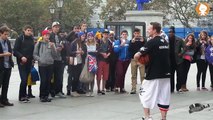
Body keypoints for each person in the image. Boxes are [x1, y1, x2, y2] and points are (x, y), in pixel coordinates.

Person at [134, 22, 170, 120]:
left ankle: (147, 117)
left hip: (153, 74)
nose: (147, 31)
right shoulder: (165, 41)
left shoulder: (151, 42)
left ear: (154, 30)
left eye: (149, 29)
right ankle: (163, 118)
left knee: (144, 94)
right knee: (164, 97)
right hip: (166, 74)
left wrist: (140, 61)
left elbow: (137, 55)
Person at [33, 30, 57, 102]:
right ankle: (42, 95)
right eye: (46, 35)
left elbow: (55, 55)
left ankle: (46, 95)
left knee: (48, 80)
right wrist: (40, 59)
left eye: (48, 35)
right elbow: (35, 54)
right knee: (43, 80)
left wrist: (53, 47)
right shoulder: (39, 44)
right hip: (42, 65)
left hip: (50, 64)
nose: (47, 36)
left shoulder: (51, 44)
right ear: (43, 36)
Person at [13, 25, 34, 103]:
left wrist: (33, 59)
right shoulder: (19, 39)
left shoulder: (31, 39)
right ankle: (21, 96)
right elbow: (15, 51)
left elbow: (32, 50)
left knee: (26, 79)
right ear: (24, 30)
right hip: (22, 62)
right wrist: (21, 57)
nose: (29, 32)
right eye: (28, 30)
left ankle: (24, 95)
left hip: (29, 62)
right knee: (24, 79)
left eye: (30, 31)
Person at [49, 21, 66, 98]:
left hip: (59, 58)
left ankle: (58, 91)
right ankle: (51, 91)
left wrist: (62, 47)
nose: (57, 28)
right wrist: (55, 47)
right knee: (51, 77)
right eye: (55, 27)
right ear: (52, 28)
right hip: (52, 59)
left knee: (59, 76)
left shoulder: (60, 36)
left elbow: (63, 45)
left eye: (58, 27)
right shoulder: (49, 36)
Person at [69, 31, 87, 97]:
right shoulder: (74, 43)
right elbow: (70, 52)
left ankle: (77, 89)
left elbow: (85, 52)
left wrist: (83, 53)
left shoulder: (83, 44)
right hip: (74, 62)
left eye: (84, 36)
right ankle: (73, 90)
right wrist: (76, 52)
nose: (84, 38)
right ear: (79, 36)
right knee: (75, 77)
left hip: (80, 62)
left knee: (79, 77)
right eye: (83, 36)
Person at [0, 25, 14, 107]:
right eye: (5, 34)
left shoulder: (8, 41)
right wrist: (4, 54)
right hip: (1, 66)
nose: (6, 36)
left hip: (8, 65)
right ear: (0, 34)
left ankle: (4, 99)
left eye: (7, 34)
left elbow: (10, 51)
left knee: (6, 84)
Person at [128, 28, 146, 94]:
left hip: (141, 59)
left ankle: (143, 88)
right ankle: (133, 88)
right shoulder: (131, 41)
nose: (137, 35)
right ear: (133, 34)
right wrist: (132, 43)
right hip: (133, 59)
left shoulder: (143, 40)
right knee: (133, 75)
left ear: (140, 33)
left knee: (142, 75)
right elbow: (129, 50)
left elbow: (145, 49)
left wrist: (143, 42)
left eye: (138, 33)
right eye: (135, 33)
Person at [168, 26, 185, 93]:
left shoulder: (179, 39)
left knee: (179, 75)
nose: (170, 33)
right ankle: (171, 88)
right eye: (169, 32)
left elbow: (185, 47)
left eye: (172, 32)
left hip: (178, 60)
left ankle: (178, 88)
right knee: (170, 75)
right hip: (170, 60)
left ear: (174, 32)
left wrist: (181, 53)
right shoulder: (166, 40)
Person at [65, 25, 80, 95]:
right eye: (75, 28)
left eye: (78, 28)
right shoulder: (71, 37)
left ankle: (75, 89)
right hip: (71, 57)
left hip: (78, 58)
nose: (77, 30)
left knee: (76, 75)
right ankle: (68, 89)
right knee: (70, 75)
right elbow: (67, 37)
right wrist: (73, 32)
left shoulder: (79, 36)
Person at [96, 29, 112, 95]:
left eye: (107, 34)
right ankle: (98, 89)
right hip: (100, 60)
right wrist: (102, 53)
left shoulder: (109, 42)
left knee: (105, 75)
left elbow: (111, 50)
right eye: (105, 34)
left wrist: (108, 54)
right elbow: (96, 49)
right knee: (99, 75)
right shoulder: (99, 41)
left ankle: (103, 88)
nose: (106, 35)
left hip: (106, 60)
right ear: (102, 34)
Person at [85, 32, 97, 96]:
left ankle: (91, 90)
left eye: (91, 36)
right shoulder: (85, 44)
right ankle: (87, 90)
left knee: (92, 76)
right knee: (87, 76)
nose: (90, 38)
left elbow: (97, 52)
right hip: (87, 61)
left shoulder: (96, 44)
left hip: (94, 61)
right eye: (89, 36)